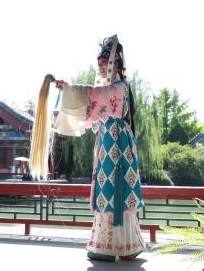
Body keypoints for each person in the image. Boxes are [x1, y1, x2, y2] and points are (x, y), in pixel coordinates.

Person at [52, 35, 145, 261]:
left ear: (115, 64)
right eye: (99, 64)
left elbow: (95, 95)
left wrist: (69, 88)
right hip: (110, 140)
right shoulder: (116, 87)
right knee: (108, 186)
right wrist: (67, 90)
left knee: (113, 186)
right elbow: (95, 107)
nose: (101, 68)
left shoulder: (118, 88)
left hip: (116, 144)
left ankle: (111, 247)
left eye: (105, 63)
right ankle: (125, 245)